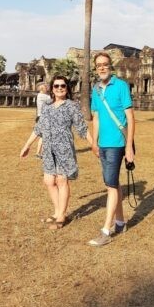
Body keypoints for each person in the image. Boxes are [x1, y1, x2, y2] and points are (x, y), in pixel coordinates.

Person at [19, 76, 96, 229]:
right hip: (48, 150)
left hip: (64, 150)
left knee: (61, 181)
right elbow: (38, 128)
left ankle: (61, 215)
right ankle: (56, 211)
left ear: (67, 88)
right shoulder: (47, 107)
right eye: (56, 86)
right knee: (48, 181)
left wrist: (94, 144)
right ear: (52, 89)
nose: (60, 88)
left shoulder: (72, 106)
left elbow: (82, 128)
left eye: (63, 86)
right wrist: (27, 145)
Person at [88, 52, 136, 247]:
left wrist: (129, 146)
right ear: (95, 68)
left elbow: (131, 118)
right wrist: (94, 141)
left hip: (118, 143)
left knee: (110, 186)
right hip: (103, 144)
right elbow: (97, 117)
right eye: (98, 65)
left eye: (105, 64)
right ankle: (120, 222)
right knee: (113, 183)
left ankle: (106, 230)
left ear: (110, 66)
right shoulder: (96, 90)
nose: (102, 67)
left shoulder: (121, 86)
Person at [34, 82, 51, 155]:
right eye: (46, 87)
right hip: (44, 117)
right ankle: (41, 152)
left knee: (43, 136)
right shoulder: (45, 96)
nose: (47, 88)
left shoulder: (39, 95)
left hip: (40, 116)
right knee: (45, 136)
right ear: (42, 88)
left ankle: (39, 152)